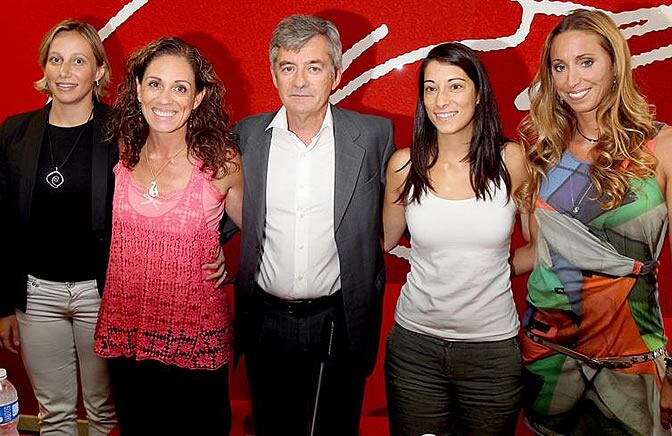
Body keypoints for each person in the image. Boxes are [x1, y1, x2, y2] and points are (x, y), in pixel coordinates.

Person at [231, 14, 394, 436]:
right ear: (273, 74)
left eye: (314, 67)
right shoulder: (246, 137)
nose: (300, 81)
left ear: (337, 75)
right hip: (266, 321)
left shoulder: (375, 136)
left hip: (339, 320)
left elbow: (390, 224)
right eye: (288, 67)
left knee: (336, 428)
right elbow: (222, 209)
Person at [516, 9, 672, 435]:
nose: (571, 80)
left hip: (632, 353)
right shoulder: (541, 150)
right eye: (559, 66)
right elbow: (539, 252)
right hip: (548, 354)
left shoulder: (661, 147)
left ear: (615, 65)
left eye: (587, 62)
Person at [93, 37, 242, 435]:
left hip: (194, 336)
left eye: (181, 87)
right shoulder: (122, 150)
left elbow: (262, 228)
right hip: (128, 331)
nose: (166, 98)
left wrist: (229, 258)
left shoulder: (221, 161)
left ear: (198, 98)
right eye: (155, 83)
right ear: (138, 87)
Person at [382, 42, 528, 436]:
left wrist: (490, 270)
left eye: (455, 86)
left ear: (478, 93)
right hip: (415, 349)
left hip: (492, 351)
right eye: (430, 88)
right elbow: (377, 241)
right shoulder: (404, 164)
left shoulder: (511, 161)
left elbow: (541, 246)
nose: (440, 100)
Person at [0, 20, 117, 435]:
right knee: (56, 412)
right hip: (36, 297)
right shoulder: (15, 131)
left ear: (98, 72)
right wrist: (3, 306)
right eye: (56, 59)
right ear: (45, 68)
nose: (65, 71)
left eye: (78, 60)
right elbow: (3, 224)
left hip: (101, 294)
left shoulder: (122, 130)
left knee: (104, 411)